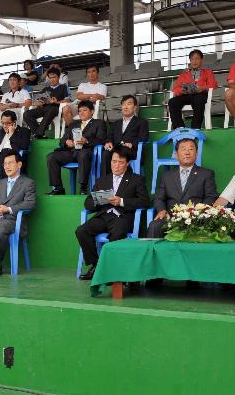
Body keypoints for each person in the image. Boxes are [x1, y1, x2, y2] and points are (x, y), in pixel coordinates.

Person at [76, 147, 150, 280]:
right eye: (114, 161)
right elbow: (87, 203)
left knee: (117, 234)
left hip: (123, 216)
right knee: (81, 231)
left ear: (127, 163)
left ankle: (115, 270)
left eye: (120, 162)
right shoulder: (102, 180)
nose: (116, 165)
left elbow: (144, 201)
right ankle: (97, 265)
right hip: (103, 215)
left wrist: (121, 201)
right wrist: (100, 200)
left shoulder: (136, 179)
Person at [147, 138, 218, 238]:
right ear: (176, 155)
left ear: (196, 154)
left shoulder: (206, 174)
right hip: (171, 218)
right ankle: (152, 253)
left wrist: (198, 213)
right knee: (154, 226)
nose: (187, 153)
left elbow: (211, 197)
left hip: (196, 219)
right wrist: (161, 210)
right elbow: (159, 198)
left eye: (191, 149)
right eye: (183, 149)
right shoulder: (167, 176)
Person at [45, 100, 107, 195]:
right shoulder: (74, 124)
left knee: (83, 154)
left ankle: (83, 187)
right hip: (71, 152)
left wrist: (86, 141)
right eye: (80, 111)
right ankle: (58, 188)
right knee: (51, 156)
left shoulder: (99, 123)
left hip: (88, 152)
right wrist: (66, 142)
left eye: (84, 110)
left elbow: (101, 140)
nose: (81, 113)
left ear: (92, 111)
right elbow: (62, 140)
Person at [100, 95, 150, 176]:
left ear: (135, 107)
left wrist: (131, 144)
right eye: (123, 104)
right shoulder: (116, 123)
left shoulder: (141, 122)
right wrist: (108, 142)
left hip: (131, 151)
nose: (125, 107)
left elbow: (144, 138)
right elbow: (110, 136)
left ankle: (122, 184)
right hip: (116, 149)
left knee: (120, 154)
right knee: (105, 154)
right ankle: (105, 184)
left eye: (129, 104)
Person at [169, 50, 218, 129]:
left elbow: (213, 85)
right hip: (186, 95)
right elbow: (175, 89)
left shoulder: (208, 72)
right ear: (190, 61)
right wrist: (181, 90)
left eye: (197, 58)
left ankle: (195, 128)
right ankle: (180, 127)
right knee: (172, 102)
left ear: (201, 60)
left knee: (198, 100)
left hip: (200, 94)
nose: (194, 61)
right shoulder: (184, 74)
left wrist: (202, 88)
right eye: (192, 59)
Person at [23, 67, 71, 139]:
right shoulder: (45, 89)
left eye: (54, 77)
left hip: (56, 108)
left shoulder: (64, 87)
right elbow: (38, 100)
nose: (52, 79)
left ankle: (39, 133)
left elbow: (68, 100)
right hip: (44, 107)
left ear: (58, 77)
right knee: (27, 114)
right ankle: (39, 133)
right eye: (50, 78)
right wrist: (38, 103)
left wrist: (56, 102)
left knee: (51, 109)